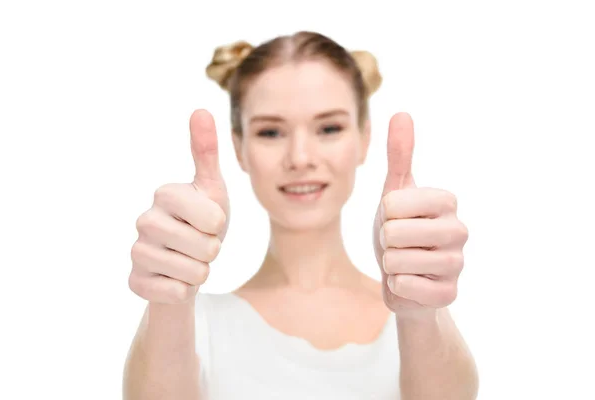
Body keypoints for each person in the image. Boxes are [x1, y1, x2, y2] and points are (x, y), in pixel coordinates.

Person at [122, 31, 479, 400]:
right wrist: (169, 299)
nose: (300, 158)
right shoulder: (194, 327)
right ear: (240, 148)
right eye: (271, 131)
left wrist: (418, 315)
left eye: (329, 128)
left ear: (364, 138)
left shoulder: (421, 319)